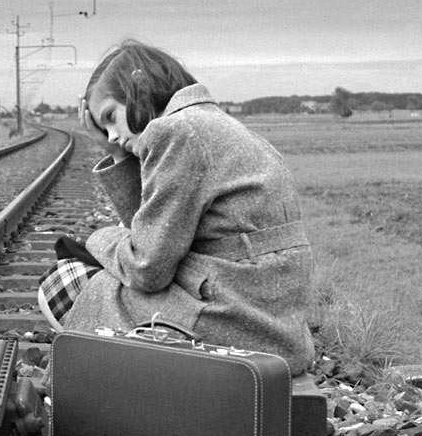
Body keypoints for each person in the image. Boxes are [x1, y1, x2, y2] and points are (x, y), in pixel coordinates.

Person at [38, 39, 315, 375]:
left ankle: (119, 398)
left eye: (111, 117)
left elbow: (147, 267)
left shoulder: (175, 132)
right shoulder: (208, 125)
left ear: (139, 87)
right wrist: (116, 155)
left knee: (63, 282)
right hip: (269, 318)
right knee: (102, 283)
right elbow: (157, 233)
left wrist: (99, 239)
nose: (111, 135)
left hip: (236, 315)